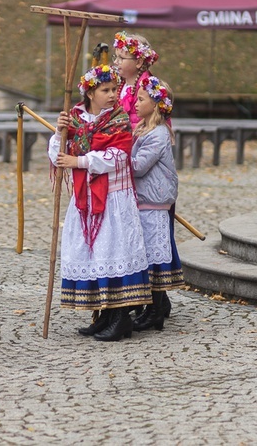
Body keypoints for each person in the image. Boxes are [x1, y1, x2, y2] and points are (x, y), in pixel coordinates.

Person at [48, 64, 151, 342]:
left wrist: (79, 161)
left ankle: (121, 318)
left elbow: (118, 157)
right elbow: (57, 153)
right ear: (90, 93)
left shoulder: (118, 120)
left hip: (114, 199)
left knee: (114, 250)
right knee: (93, 256)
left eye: (115, 89)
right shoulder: (76, 119)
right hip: (86, 201)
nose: (112, 95)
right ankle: (102, 314)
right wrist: (60, 134)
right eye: (105, 90)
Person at [130, 76, 184, 331]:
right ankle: (155, 307)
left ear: (156, 104)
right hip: (145, 201)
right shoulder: (143, 129)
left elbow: (139, 167)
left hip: (154, 202)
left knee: (154, 257)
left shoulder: (158, 134)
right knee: (148, 255)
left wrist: (114, 160)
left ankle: (156, 310)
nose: (135, 103)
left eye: (141, 99)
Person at [113, 31, 159, 131]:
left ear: (138, 62)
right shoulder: (117, 84)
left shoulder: (148, 89)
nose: (116, 62)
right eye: (115, 57)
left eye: (121, 58)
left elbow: (151, 124)